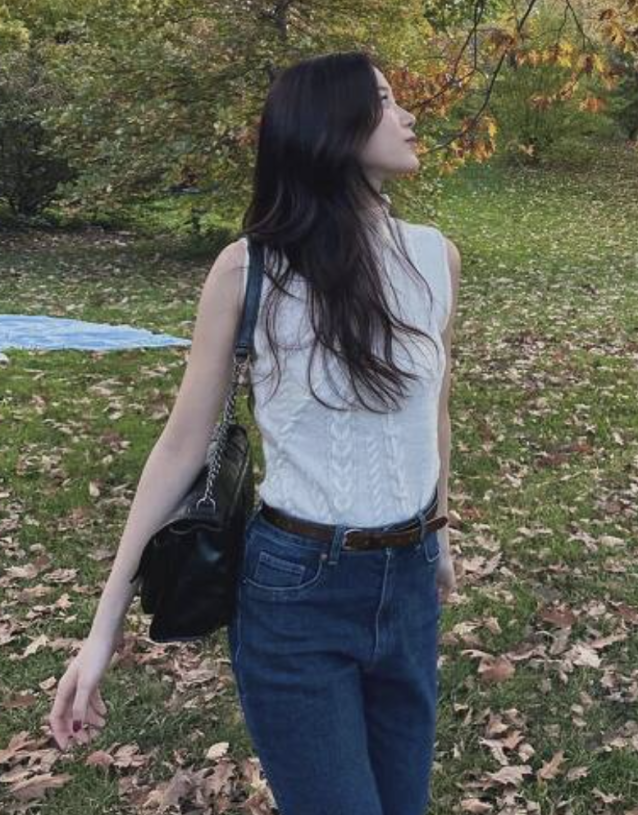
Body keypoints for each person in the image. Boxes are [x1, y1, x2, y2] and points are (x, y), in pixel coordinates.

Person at [49, 50, 461, 815]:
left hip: (406, 585)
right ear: (330, 125)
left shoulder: (435, 258)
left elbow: (432, 410)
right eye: (382, 99)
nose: (407, 115)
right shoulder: (250, 271)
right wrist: (103, 629)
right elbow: (180, 447)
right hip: (295, 591)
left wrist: (438, 533)